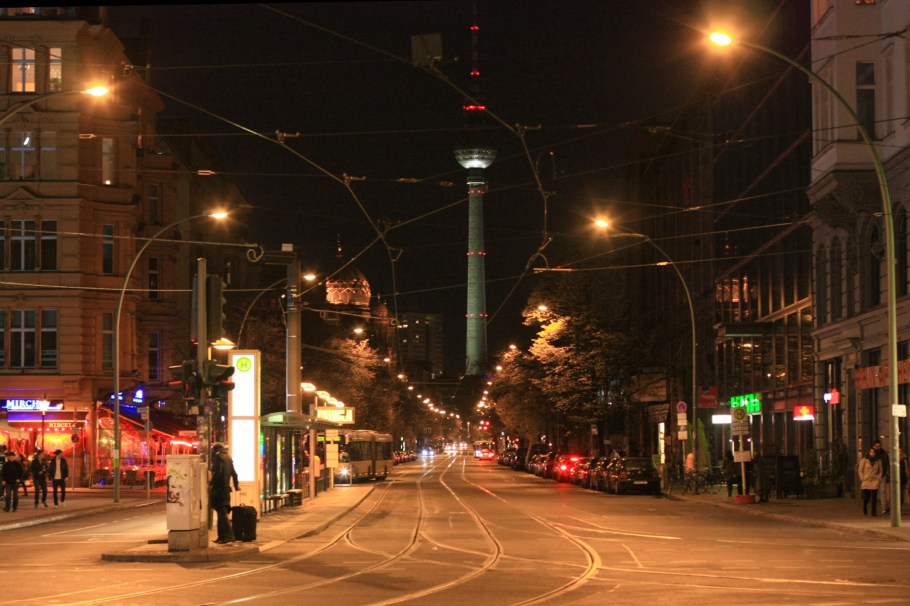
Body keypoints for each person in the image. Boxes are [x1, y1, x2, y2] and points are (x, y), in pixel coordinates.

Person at [209, 443, 239, 544]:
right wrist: (236, 485)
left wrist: (211, 484)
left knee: (222, 514)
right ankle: (221, 536)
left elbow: (218, 473)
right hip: (226, 490)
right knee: (221, 513)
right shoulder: (228, 458)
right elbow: (234, 474)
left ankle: (229, 536)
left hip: (219, 489)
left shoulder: (218, 457)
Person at [859, 447, 883, 516]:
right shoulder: (864, 460)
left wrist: (879, 477)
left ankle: (874, 512)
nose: (873, 454)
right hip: (866, 480)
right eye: (871, 452)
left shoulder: (878, 461)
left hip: (874, 480)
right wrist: (862, 478)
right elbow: (860, 470)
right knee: (867, 497)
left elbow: (881, 470)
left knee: (874, 497)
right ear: (869, 453)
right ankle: (865, 506)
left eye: (874, 452)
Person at [873, 440, 890, 514]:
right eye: (876, 446)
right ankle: (874, 509)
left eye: (879, 446)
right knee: (873, 491)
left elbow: (887, 464)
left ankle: (884, 507)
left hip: (882, 475)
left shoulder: (884, 453)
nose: (878, 448)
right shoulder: (872, 453)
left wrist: (887, 473)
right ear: (874, 446)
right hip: (873, 476)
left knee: (882, 491)